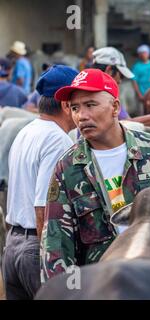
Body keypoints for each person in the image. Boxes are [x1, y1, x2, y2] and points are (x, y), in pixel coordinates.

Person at [40, 68, 150, 281]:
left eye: (90, 105)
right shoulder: (68, 168)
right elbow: (56, 246)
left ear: (115, 107)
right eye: (75, 108)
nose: (81, 116)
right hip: (101, 286)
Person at [2, 65, 78, 299]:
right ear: (66, 105)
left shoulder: (27, 131)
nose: (83, 111)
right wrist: (49, 259)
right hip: (36, 248)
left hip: (13, 246)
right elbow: (43, 206)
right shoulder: (57, 140)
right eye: (79, 103)